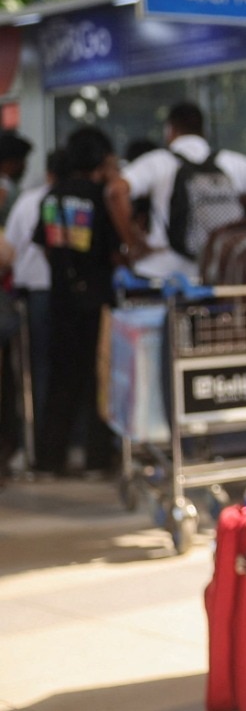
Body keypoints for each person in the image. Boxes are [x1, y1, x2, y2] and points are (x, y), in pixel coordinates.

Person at [110, 101, 246, 280]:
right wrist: (237, 198)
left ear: (170, 130)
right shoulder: (230, 162)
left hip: (163, 275)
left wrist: (134, 243)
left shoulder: (158, 162)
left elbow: (115, 191)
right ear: (203, 131)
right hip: (219, 273)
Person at [33, 127, 121, 477]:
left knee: (61, 381)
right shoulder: (100, 196)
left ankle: (50, 460)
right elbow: (115, 251)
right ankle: (97, 459)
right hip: (97, 299)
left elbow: (44, 244)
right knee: (100, 381)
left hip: (60, 301)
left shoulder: (52, 197)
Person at [5, 148, 61, 448]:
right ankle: (67, 438)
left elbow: (7, 251)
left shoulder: (29, 201)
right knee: (67, 366)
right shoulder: (81, 198)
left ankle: (40, 441)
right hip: (67, 294)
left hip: (34, 294)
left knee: (38, 368)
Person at [0, 133, 33, 225]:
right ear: (7, 163)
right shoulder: (5, 188)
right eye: (21, 161)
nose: (24, 167)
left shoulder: (9, 186)